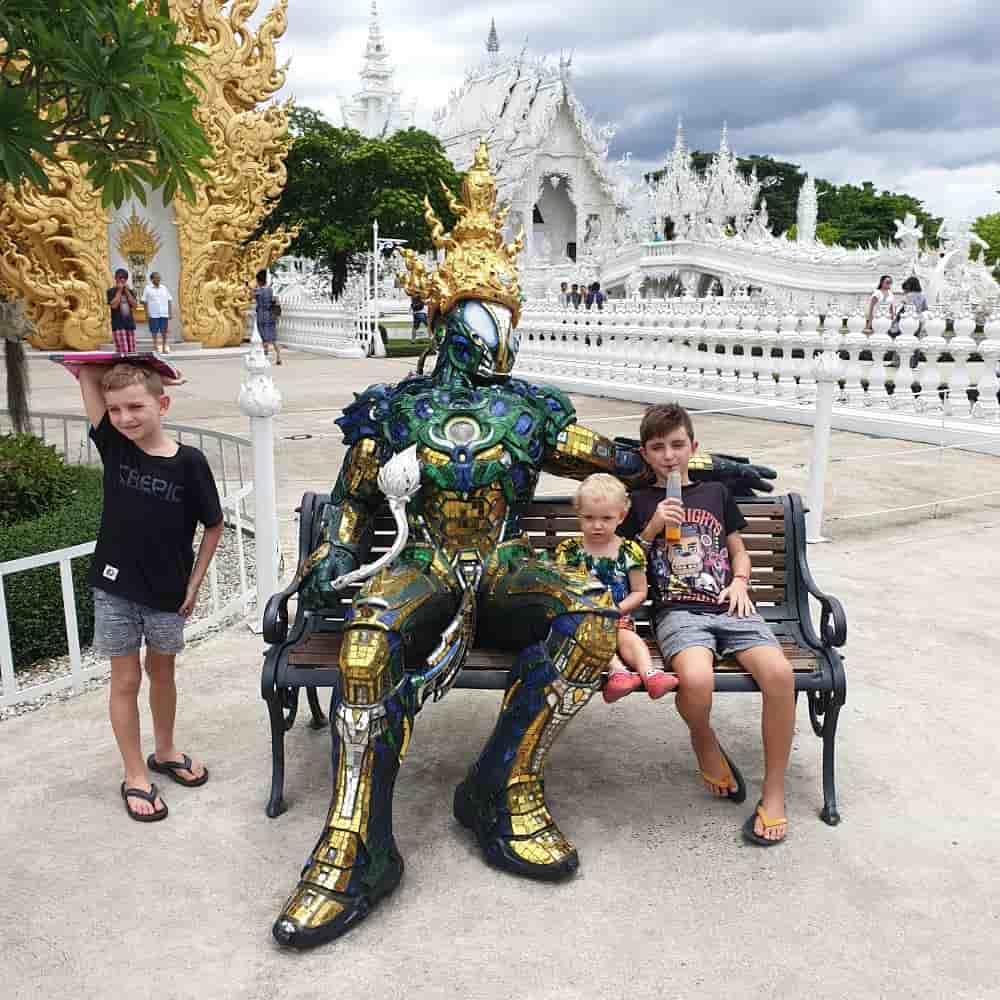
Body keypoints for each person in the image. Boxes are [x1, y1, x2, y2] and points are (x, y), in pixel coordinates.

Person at [624, 403, 795, 846]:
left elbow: (738, 549)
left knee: (780, 674)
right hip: (677, 611)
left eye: (677, 445)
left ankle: (773, 793)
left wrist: (741, 582)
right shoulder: (639, 501)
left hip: (728, 604)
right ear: (645, 453)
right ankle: (703, 737)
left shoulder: (715, 493)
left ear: (693, 448)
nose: (669, 456)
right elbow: (624, 565)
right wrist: (651, 528)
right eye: (658, 447)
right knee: (696, 681)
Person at [75, 362, 224, 822]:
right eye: (115, 409)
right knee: (125, 681)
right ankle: (135, 773)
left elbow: (213, 525)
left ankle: (165, 751)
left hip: (166, 595)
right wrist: (132, 364)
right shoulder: (117, 449)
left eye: (135, 406)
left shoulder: (190, 463)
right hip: (116, 590)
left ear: (162, 404)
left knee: (162, 675)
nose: (124, 417)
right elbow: (84, 376)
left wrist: (194, 583)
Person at [554, 474, 678, 702]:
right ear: (578, 515)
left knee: (628, 638)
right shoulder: (570, 550)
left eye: (606, 518)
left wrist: (616, 609)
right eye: (589, 517)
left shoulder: (628, 551)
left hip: (619, 615)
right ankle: (618, 672)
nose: (597, 525)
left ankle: (649, 674)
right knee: (589, 635)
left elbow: (640, 591)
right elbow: (564, 587)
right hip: (582, 617)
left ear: (621, 517)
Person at [254, 269, 282, 365]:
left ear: (258, 281)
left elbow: (251, 296)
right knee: (273, 337)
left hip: (262, 315)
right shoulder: (270, 290)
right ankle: (278, 356)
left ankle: (265, 357)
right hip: (270, 315)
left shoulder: (258, 291)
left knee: (264, 338)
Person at [107, 268, 138, 353]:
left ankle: (131, 366)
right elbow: (114, 305)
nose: (122, 279)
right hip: (118, 325)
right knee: (123, 351)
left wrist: (127, 291)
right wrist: (120, 290)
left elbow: (135, 305)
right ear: (116, 278)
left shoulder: (131, 291)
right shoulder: (111, 291)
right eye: (120, 277)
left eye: (125, 278)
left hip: (129, 324)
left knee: (132, 351)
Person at [141, 272, 173, 353]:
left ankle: (164, 346)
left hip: (164, 313)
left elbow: (169, 300)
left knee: (164, 331)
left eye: (159, 277)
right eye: (156, 277)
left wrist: (170, 312)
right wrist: (146, 313)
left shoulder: (164, 288)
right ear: (152, 279)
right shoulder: (147, 288)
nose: (158, 279)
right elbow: (144, 301)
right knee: (154, 331)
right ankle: (155, 346)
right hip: (153, 313)